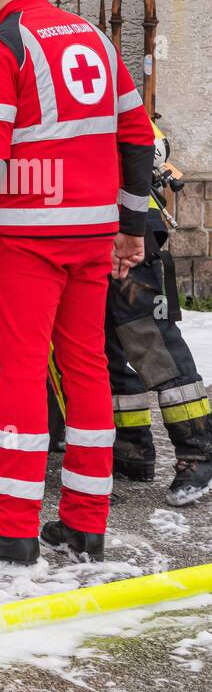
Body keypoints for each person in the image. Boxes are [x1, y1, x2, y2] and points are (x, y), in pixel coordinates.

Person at [0, 0, 153, 563]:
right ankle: (86, 523)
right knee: (86, 368)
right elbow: (137, 137)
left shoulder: (1, 46)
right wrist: (130, 225)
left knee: (23, 372)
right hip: (92, 234)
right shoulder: (91, 36)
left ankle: (11, 528)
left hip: (29, 238)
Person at [107, 123, 212, 505]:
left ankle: (198, 452)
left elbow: (147, 148)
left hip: (129, 231)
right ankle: (132, 450)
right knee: (107, 349)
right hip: (98, 231)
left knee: (151, 343)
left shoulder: (103, 97)